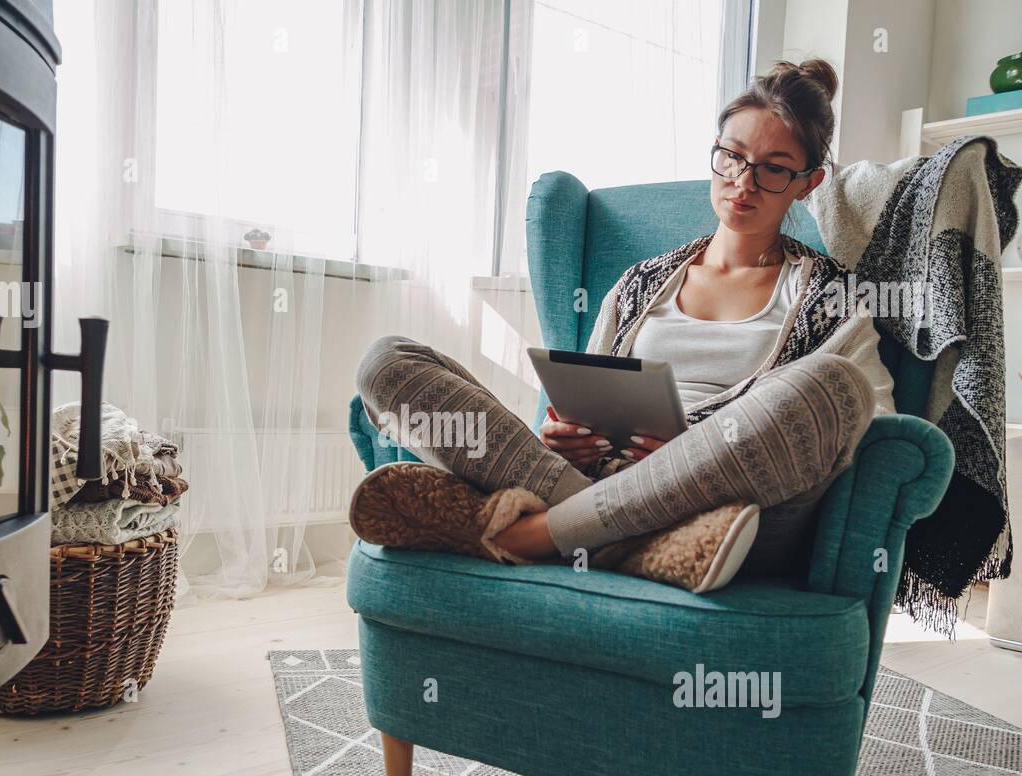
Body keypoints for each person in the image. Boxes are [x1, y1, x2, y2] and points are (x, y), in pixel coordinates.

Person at [349, 58, 895, 593]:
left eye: (773, 168)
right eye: (731, 157)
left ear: (808, 183)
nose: (743, 183)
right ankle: (637, 547)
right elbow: (584, 396)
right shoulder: (638, 284)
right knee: (388, 363)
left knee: (834, 388)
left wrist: (696, 455)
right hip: (604, 481)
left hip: (730, 507)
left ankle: (540, 531)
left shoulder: (833, 299)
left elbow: (875, 426)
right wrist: (563, 440)